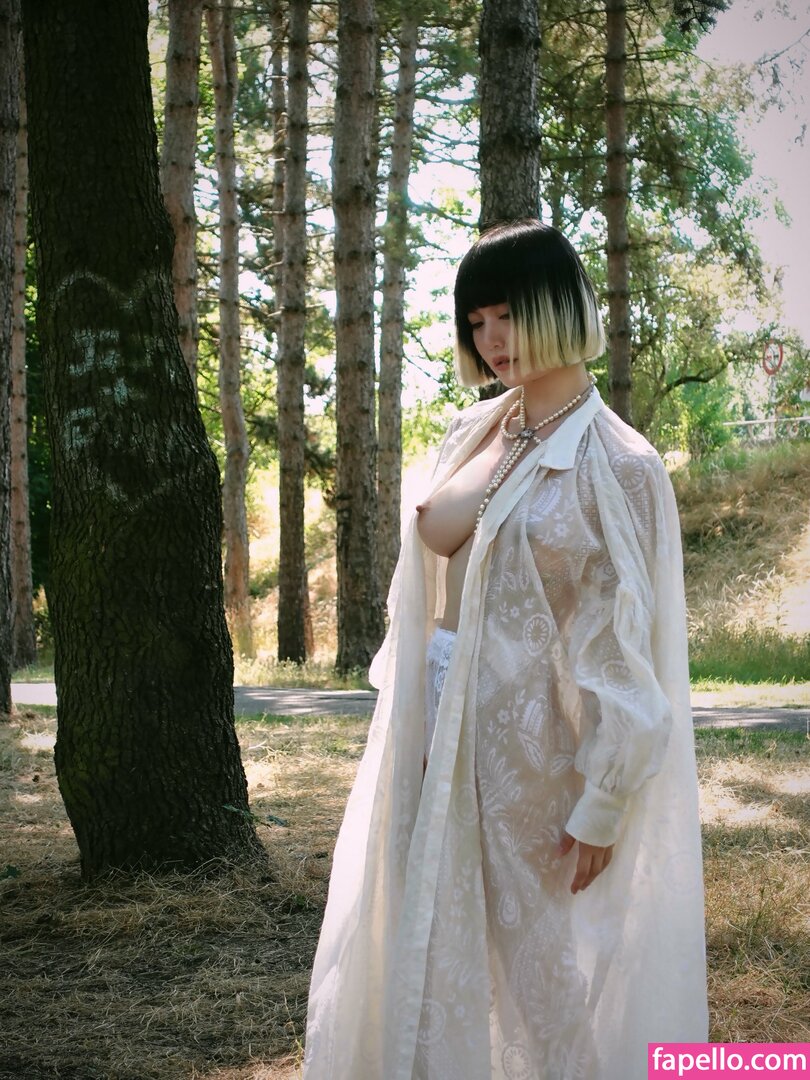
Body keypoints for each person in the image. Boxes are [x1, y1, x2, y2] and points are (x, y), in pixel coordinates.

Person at [303, 220, 708, 1080]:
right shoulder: (479, 429)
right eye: (476, 320)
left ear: (560, 308)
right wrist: (513, 434)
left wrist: (604, 799)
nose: (491, 339)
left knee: (536, 962)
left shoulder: (619, 464)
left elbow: (625, 642)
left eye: (509, 315)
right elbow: (436, 539)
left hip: (526, 742)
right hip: (432, 713)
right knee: (422, 927)